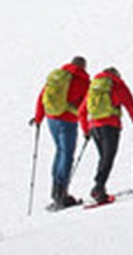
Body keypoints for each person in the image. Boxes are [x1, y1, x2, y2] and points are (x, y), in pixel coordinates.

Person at [31, 56, 90, 210]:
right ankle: (61, 194)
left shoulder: (58, 76)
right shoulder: (83, 80)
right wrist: (87, 129)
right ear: (83, 66)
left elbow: (42, 96)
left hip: (51, 119)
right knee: (67, 154)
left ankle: (56, 191)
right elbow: (84, 107)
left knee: (60, 151)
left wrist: (38, 118)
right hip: (67, 120)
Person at [78, 67, 133, 205]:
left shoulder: (94, 87)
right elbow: (129, 103)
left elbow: (82, 111)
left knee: (103, 158)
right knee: (108, 158)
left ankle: (99, 187)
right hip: (110, 125)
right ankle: (99, 188)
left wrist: (86, 130)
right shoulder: (118, 85)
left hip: (94, 126)